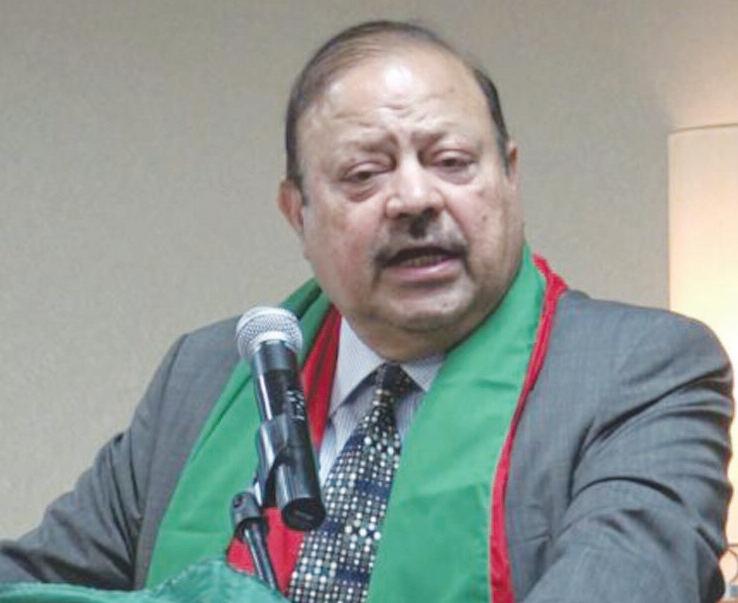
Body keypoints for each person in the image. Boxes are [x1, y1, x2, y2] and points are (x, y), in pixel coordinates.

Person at [0, 20, 733, 603]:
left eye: (452, 162)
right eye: (364, 173)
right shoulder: (208, 376)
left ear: (509, 176)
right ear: (297, 212)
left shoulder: (641, 371)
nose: (415, 199)